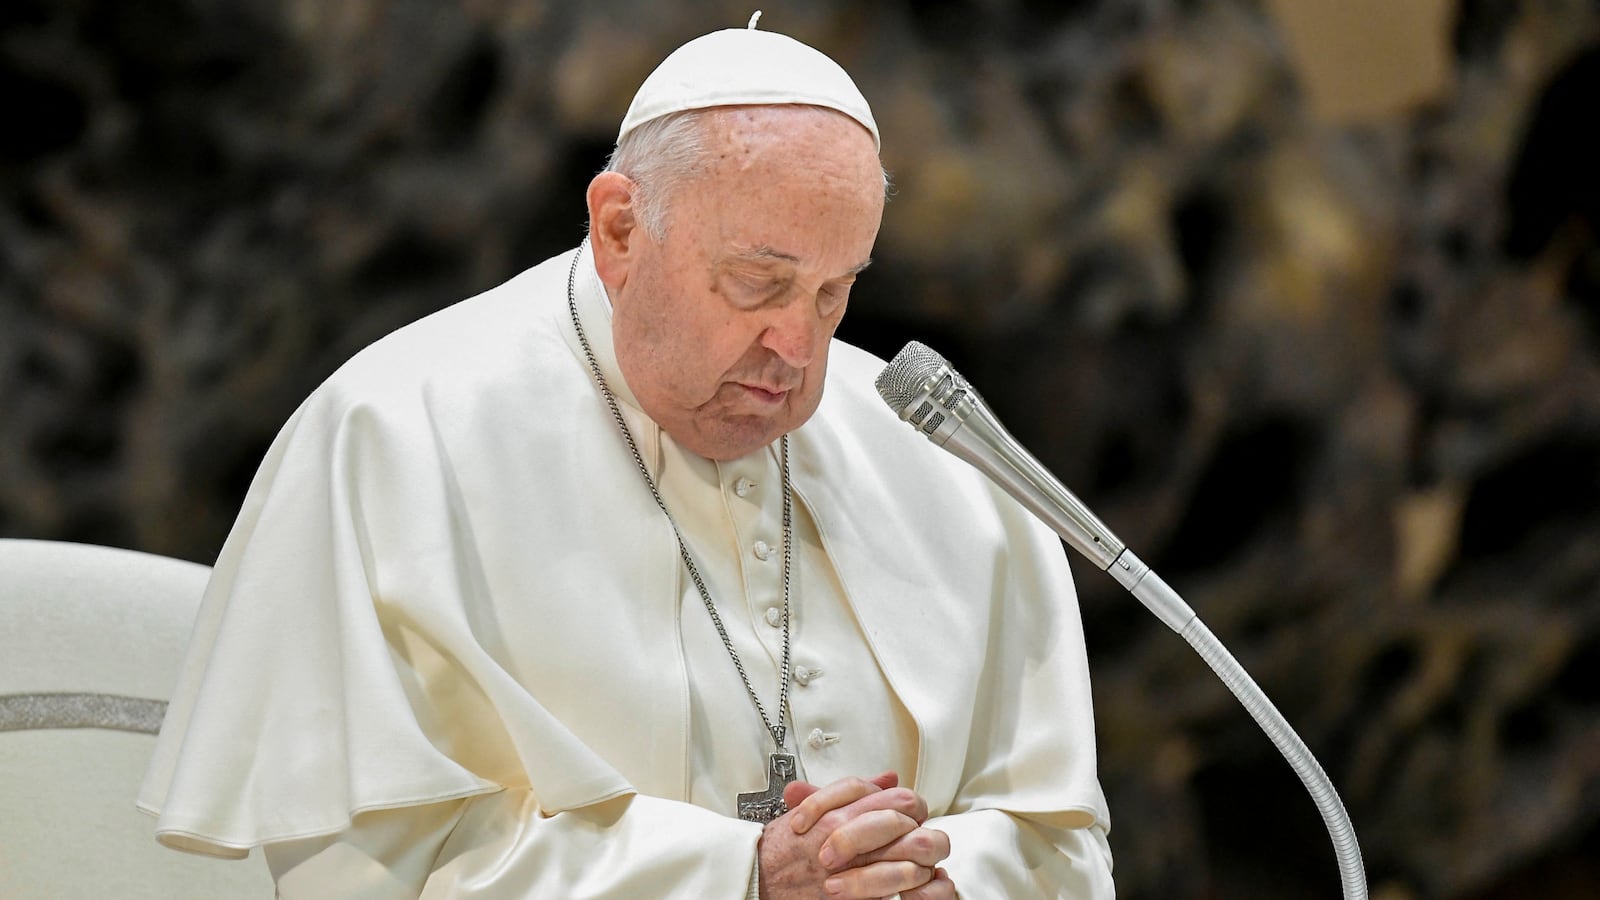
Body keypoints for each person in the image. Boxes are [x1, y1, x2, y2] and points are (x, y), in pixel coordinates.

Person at [138, 15, 1115, 899]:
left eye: (833, 292)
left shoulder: (932, 454)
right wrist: (741, 879)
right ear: (618, 230)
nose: (799, 348)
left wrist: (928, 881)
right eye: (756, 283)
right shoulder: (394, 432)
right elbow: (371, 862)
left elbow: (1056, 841)